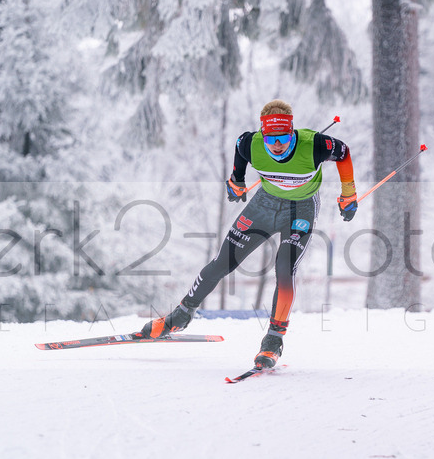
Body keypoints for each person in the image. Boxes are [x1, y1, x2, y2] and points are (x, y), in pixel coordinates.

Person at [139, 99, 358, 368]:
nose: (277, 145)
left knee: (284, 268)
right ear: (262, 135)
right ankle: (180, 316)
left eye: (283, 137)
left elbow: (344, 152)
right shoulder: (250, 144)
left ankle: (273, 341)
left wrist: (349, 194)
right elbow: (239, 151)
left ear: (292, 132)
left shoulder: (315, 145)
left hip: (300, 210)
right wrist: (236, 181)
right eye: (271, 139)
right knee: (223, 263)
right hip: (263, 206)